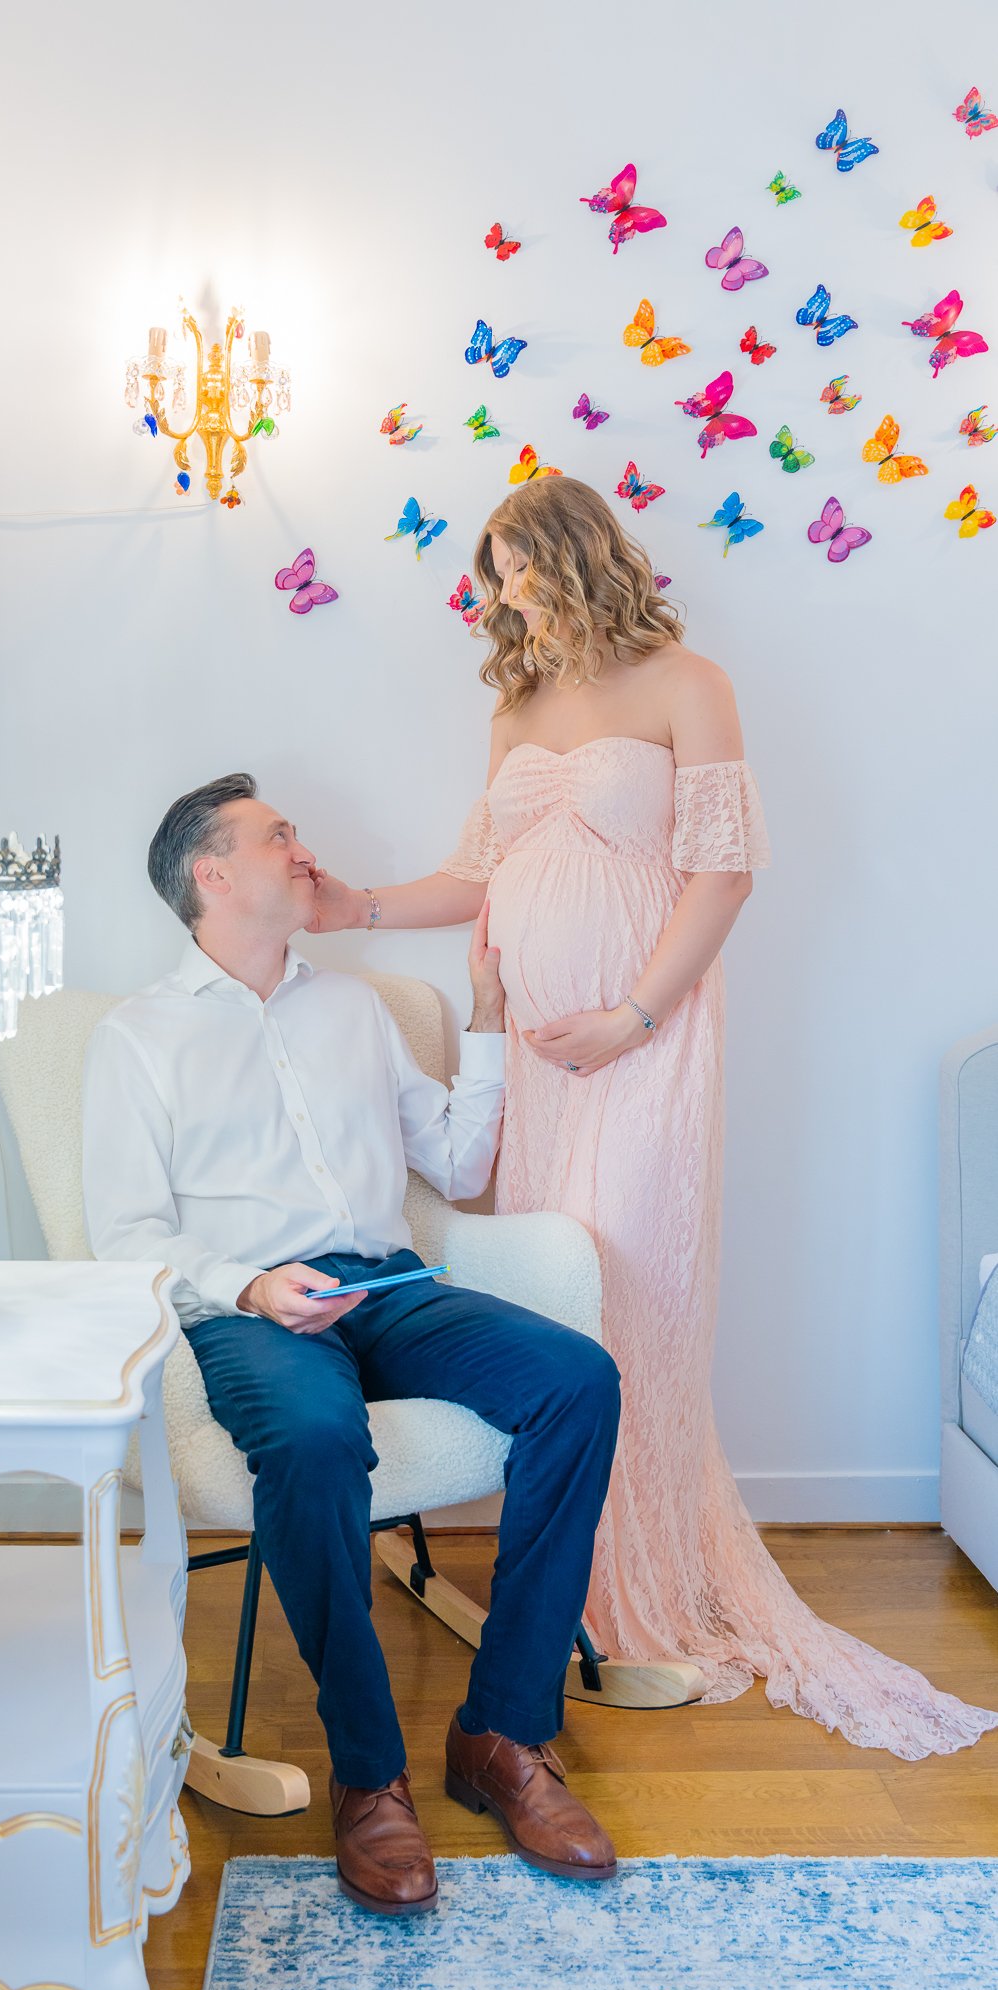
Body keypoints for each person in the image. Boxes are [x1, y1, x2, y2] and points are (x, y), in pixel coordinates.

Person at [309, 474, 998, 1760]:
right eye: (494, 571)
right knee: (551, 1295)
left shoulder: (689, 680)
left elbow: (722, 871)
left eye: (516, 564)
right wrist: (352, 906)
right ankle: (557, 1589)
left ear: (576, 553)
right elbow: (477, 875)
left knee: (635, 1286)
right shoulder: (513, 703)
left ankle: (640, 1586)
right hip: (533, 1049)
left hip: (644, 1036)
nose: (502, 591)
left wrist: (631, 1014)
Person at [83, 771, 623, 1915]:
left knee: (577, 1378)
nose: (302, 849)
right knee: (319, 1443)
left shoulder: (354, 1008)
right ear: (210, 875)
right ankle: (370, 1776)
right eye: (276, 836)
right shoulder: (138, 1037)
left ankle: (502, 1736)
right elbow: (122, 1237)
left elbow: (460, 1166)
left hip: (391, 1282)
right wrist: (253, 1282)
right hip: (252, 1310)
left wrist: (482, 1011)